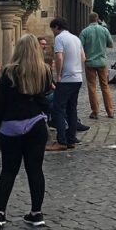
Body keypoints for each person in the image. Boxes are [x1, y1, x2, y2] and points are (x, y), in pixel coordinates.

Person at [0, 34, 53, 229]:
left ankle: (0, 213)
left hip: (11, 126)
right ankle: (36, 213)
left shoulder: (9, 72)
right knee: (35, 170)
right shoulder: (44, 71)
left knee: (8, 170)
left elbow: (1, 103)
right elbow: (44, 98)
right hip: (35, 124)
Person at [48, 18, 84, 152]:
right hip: (78, 77)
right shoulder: (76, 38)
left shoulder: (59, 38)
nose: (53, 33)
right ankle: (71, 140)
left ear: (57, 27)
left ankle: (61, 141)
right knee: (72, 109)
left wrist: (58, 74)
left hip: (66, 78)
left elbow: (59, 57)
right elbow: (83, 58)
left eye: (53, 30)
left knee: (58, 108)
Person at [80, 13, 114, 120]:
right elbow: (111, 44)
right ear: (98, 19)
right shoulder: (104, 30)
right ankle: (110, 111)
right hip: (102, 62)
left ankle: (95, 112)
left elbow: (80, 47)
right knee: (105, 86)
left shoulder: (84, 31)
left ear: (89, 20)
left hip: (90, 62)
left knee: (92, 87)